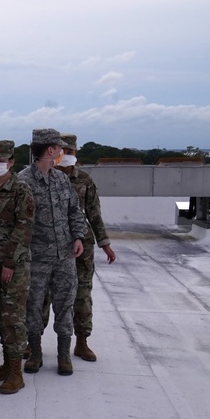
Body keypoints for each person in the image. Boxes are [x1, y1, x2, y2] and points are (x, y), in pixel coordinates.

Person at [17, 128, 86, 375]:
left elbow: (74, 212)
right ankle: (35, 354)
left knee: (65, 305)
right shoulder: (23, 181)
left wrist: (78, 236)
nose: (61, 152)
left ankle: (63, 355)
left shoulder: (61, 179)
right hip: (36, 258)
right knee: (33, 306)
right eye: (59, 148)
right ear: (50, 150)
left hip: (64, 256)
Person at [54, 133, 116, 361]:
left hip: (82, 245)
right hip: (52, 244)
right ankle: (34, 343)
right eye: (62, 152)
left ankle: (81, 341)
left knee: (81, 293)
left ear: (76, 153)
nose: (66, 156)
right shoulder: (45, 176)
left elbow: (94, 213)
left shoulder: (85, 180)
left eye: (70, 152)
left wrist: (105, 243)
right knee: (41, 295)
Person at [0, 140, 35, 394]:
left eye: (0, 160)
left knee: (13, 318)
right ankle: (6, 363)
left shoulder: (21, 190)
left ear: (12, 162)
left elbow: (23, 229)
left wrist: (11, 262)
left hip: (13, 266)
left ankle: (16, 372)